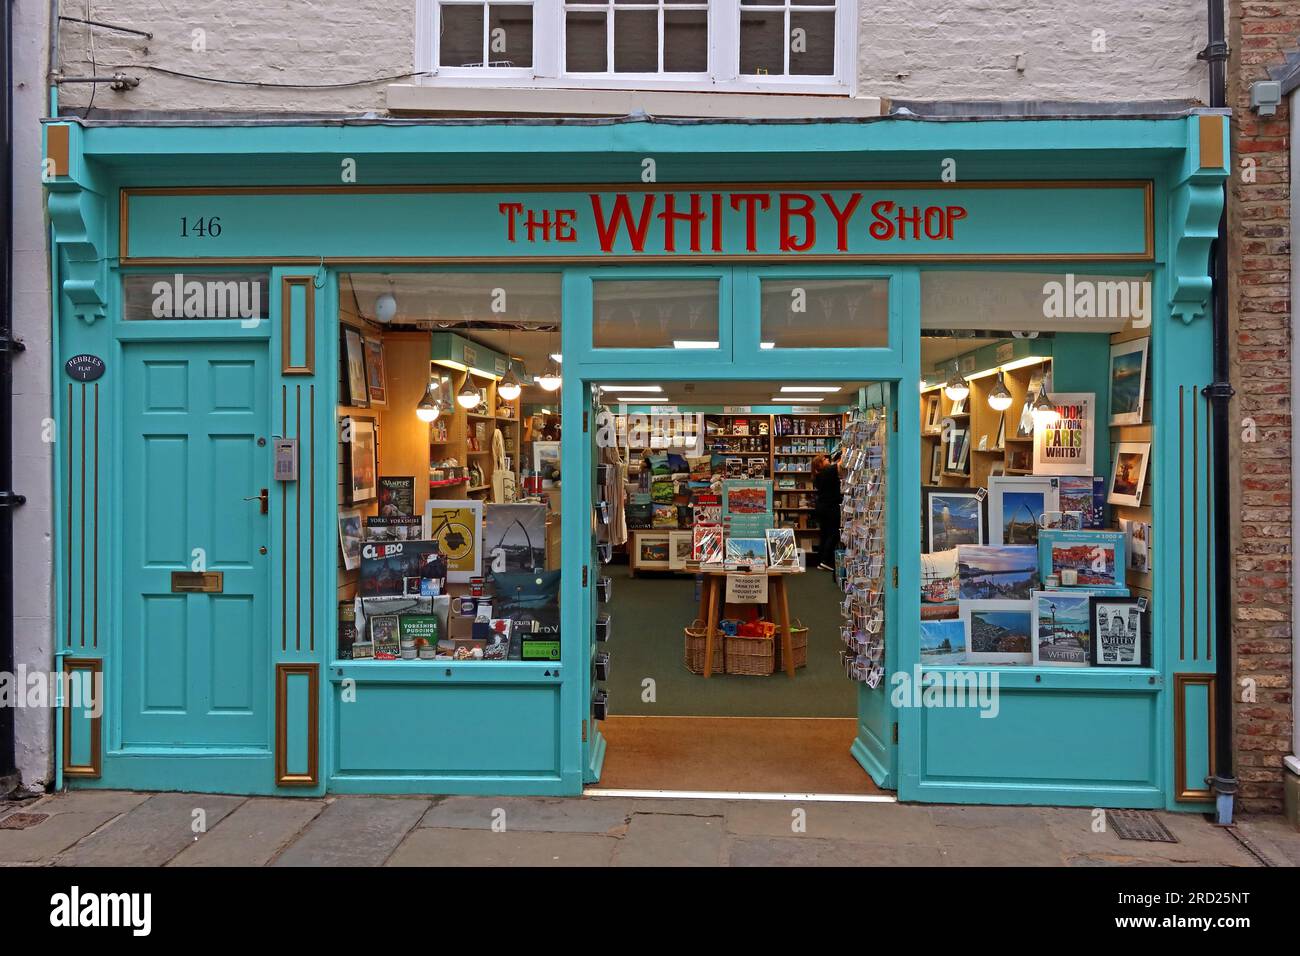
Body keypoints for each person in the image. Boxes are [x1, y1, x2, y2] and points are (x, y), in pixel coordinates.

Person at [812, 453, 842, 571]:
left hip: (822, 507)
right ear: (820, 463)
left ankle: (820, 561)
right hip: (830, 507)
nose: (828, 459)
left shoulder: (818, 476)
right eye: (825, 459)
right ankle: (826, 560)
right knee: (834, 533)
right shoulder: (828, 471)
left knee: (824, 534)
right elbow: (841, 464)